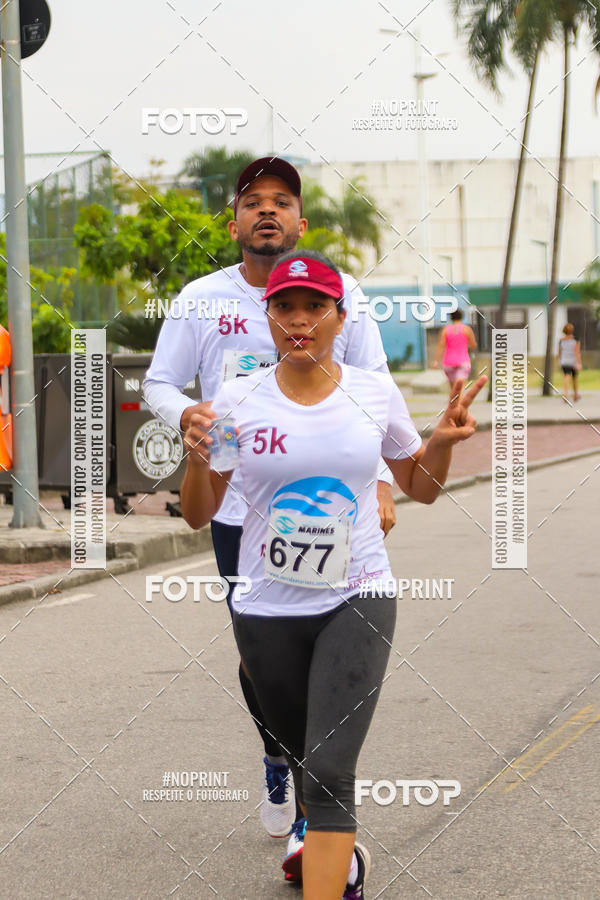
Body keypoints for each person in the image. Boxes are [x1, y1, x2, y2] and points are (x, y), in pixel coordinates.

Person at [180, 250, 486, 900]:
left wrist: (439, 444)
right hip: (265, 611)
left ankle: (330, 870)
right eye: (285, 307)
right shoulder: (236, 401)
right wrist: (198, 462)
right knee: (303, 762)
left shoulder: (372, 391)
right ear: (268, 318)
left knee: (329, 773)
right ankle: (337, 859)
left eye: (315, 307)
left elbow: (420, 487)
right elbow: (200, 513)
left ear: (340, 318)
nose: (299, 320)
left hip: (358, 596)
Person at [143, 157, 396, 839]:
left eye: (281, 201)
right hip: (239, 511)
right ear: (234, 224)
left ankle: (316, 811)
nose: (267, 211)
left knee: (329, 649)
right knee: (263, 658)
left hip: (332, 508)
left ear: (300, 222)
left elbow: (377, 392)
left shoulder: (345, 295)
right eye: (253, 201)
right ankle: (278, 757)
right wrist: (189, 415)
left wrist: (383, 481)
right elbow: (159, 381)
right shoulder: (201, 299)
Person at [432, 308, 477, 392]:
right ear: (462, 317)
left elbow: (441, 346)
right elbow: (473, 345)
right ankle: (459, 400)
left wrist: (436, 361)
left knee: (453, 390)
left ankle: (454, 400)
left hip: (449, 363)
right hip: (463, 361)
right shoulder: (467, 329)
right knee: (460, 388)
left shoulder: (445, 330)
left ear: (451, 318)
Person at [558, 323, 582, 402]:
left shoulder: (561, 340)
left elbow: (559, 352)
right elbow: (577, 352)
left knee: (566, 377)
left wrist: (560, 360)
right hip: (573, 361)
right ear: (572, 330)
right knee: (574, 378)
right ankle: (575, 395)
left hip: (564, 361)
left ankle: (566, 394)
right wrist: (579, 363)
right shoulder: (576, 340)